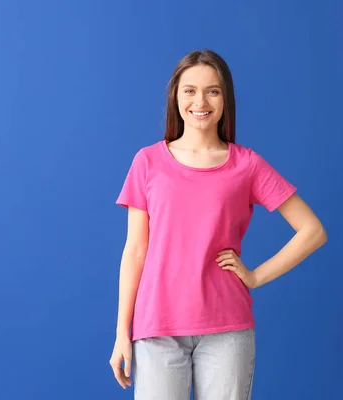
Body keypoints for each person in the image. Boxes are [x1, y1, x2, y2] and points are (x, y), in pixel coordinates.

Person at [109, 49, 327, 400]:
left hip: (227, 329)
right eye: (189, 90)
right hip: (157, 328)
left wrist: (256, 276)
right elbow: (135, 251)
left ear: (225, 99)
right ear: (176, 98)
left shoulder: (247, 165)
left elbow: (312, 230)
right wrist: (122, 331)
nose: (200, 101)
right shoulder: (147, 162)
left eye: (213, 90)